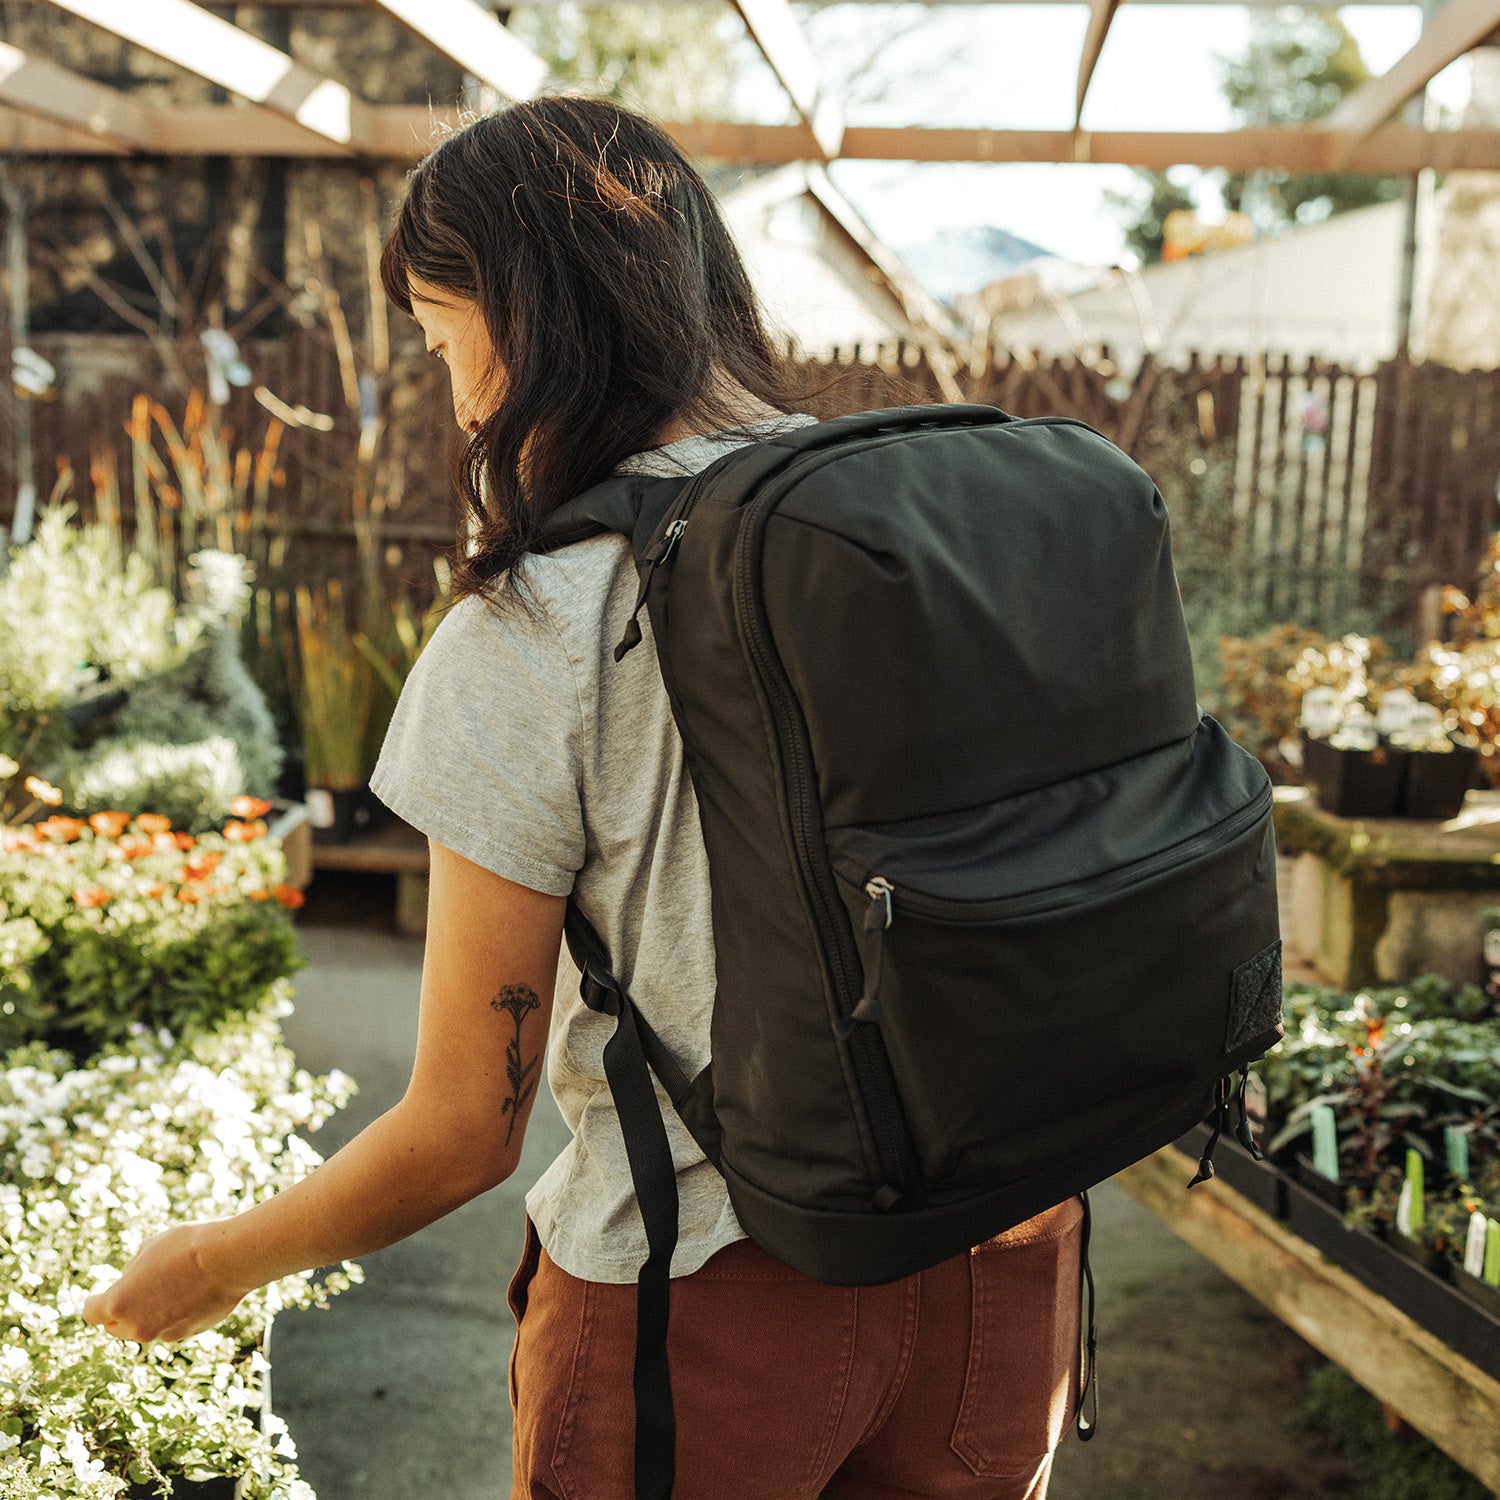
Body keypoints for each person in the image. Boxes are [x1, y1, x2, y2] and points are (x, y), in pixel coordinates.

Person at [83, 95, 1084, 1500]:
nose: (456, 395)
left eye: (444, 344)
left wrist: (208, 1263)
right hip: (1006, 1268)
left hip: (712, 1302)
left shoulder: (545, 619)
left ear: (522, 316)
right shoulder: (930, 533)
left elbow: (460, 1132)